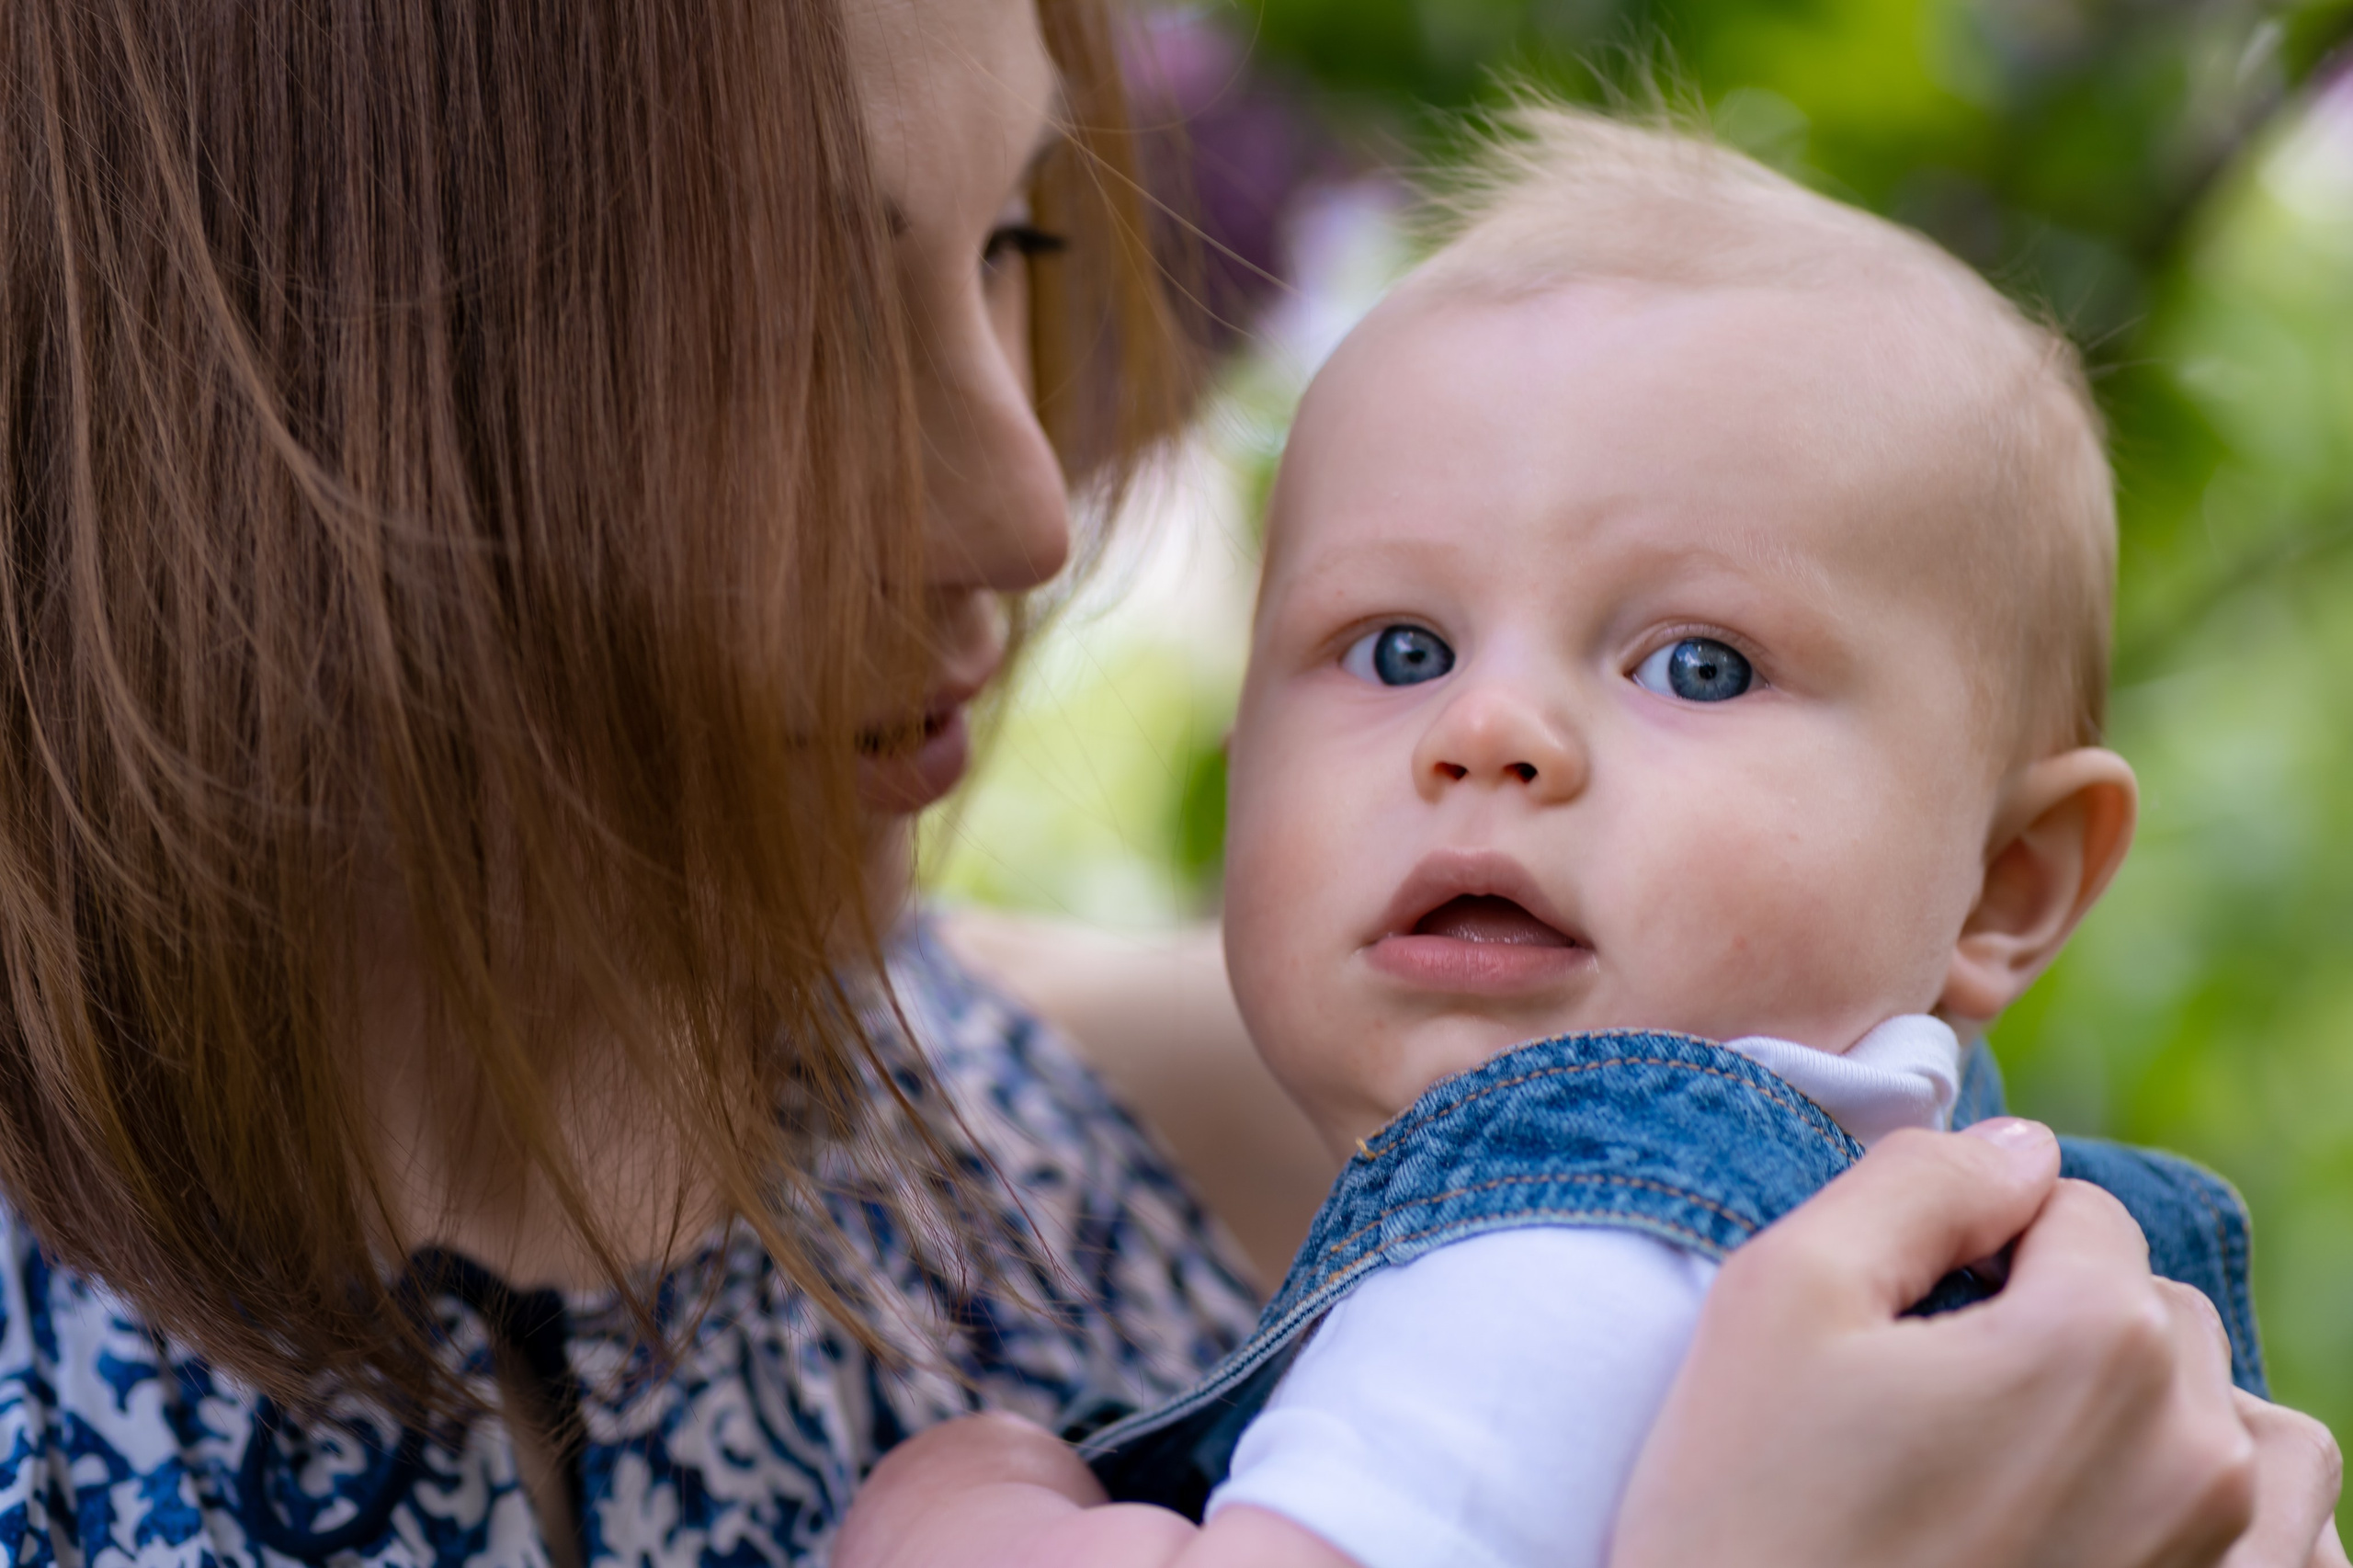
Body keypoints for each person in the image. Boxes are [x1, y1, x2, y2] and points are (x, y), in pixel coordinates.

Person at [0, 4, 2333, 1566]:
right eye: (791, 318)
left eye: (1016, 247)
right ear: (279, 369)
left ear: (2019, 873)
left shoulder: (1245, 1133)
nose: (1026, 504)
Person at [828, 108, 2347, 1568]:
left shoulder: (1550, 1253)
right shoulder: (1994, 1270)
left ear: (2007, 882)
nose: (1487, 731)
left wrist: (964, 1509)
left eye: (1697, 663)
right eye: (1400, 648)